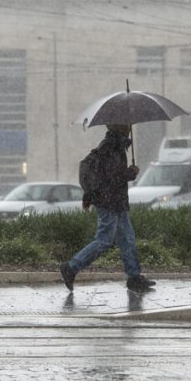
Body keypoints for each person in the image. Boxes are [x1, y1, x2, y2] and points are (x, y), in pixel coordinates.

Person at [60, 124, 156, 293]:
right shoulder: (110, 147)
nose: (129, 127)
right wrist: (129, 174)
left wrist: (127, 173)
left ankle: (134, 277)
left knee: (127, 239)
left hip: (116, 202)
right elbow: (111, 178)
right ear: (120, 128)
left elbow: (112, 176)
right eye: (126, 125)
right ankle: (71, 267)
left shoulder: (117, 146)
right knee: (104, 240)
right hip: (109, 202)